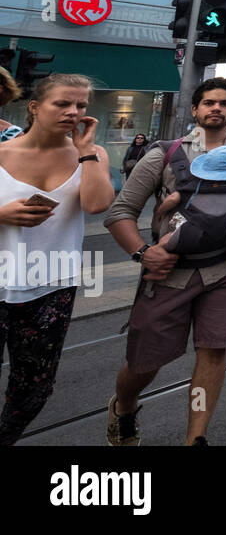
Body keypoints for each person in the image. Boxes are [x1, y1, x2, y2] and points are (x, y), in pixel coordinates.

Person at [105, 77, 226, 446]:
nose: (216, 108)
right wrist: (143, 252)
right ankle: (124, 405)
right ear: (196, 110)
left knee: (213, 350)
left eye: (224, 103)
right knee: (145, 364)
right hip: (169, 273)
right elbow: (121, 211)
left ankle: (195, 437)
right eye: (208, 103)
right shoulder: (165, 153)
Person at [0, 73, 113, 445]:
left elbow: (97, 205)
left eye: (80, 105)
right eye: (62, 103)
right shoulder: (2, 153)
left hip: (52, 286)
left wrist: (85, 151)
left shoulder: (92, 156)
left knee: (35, 387)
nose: (73, 111)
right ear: (34, 107)